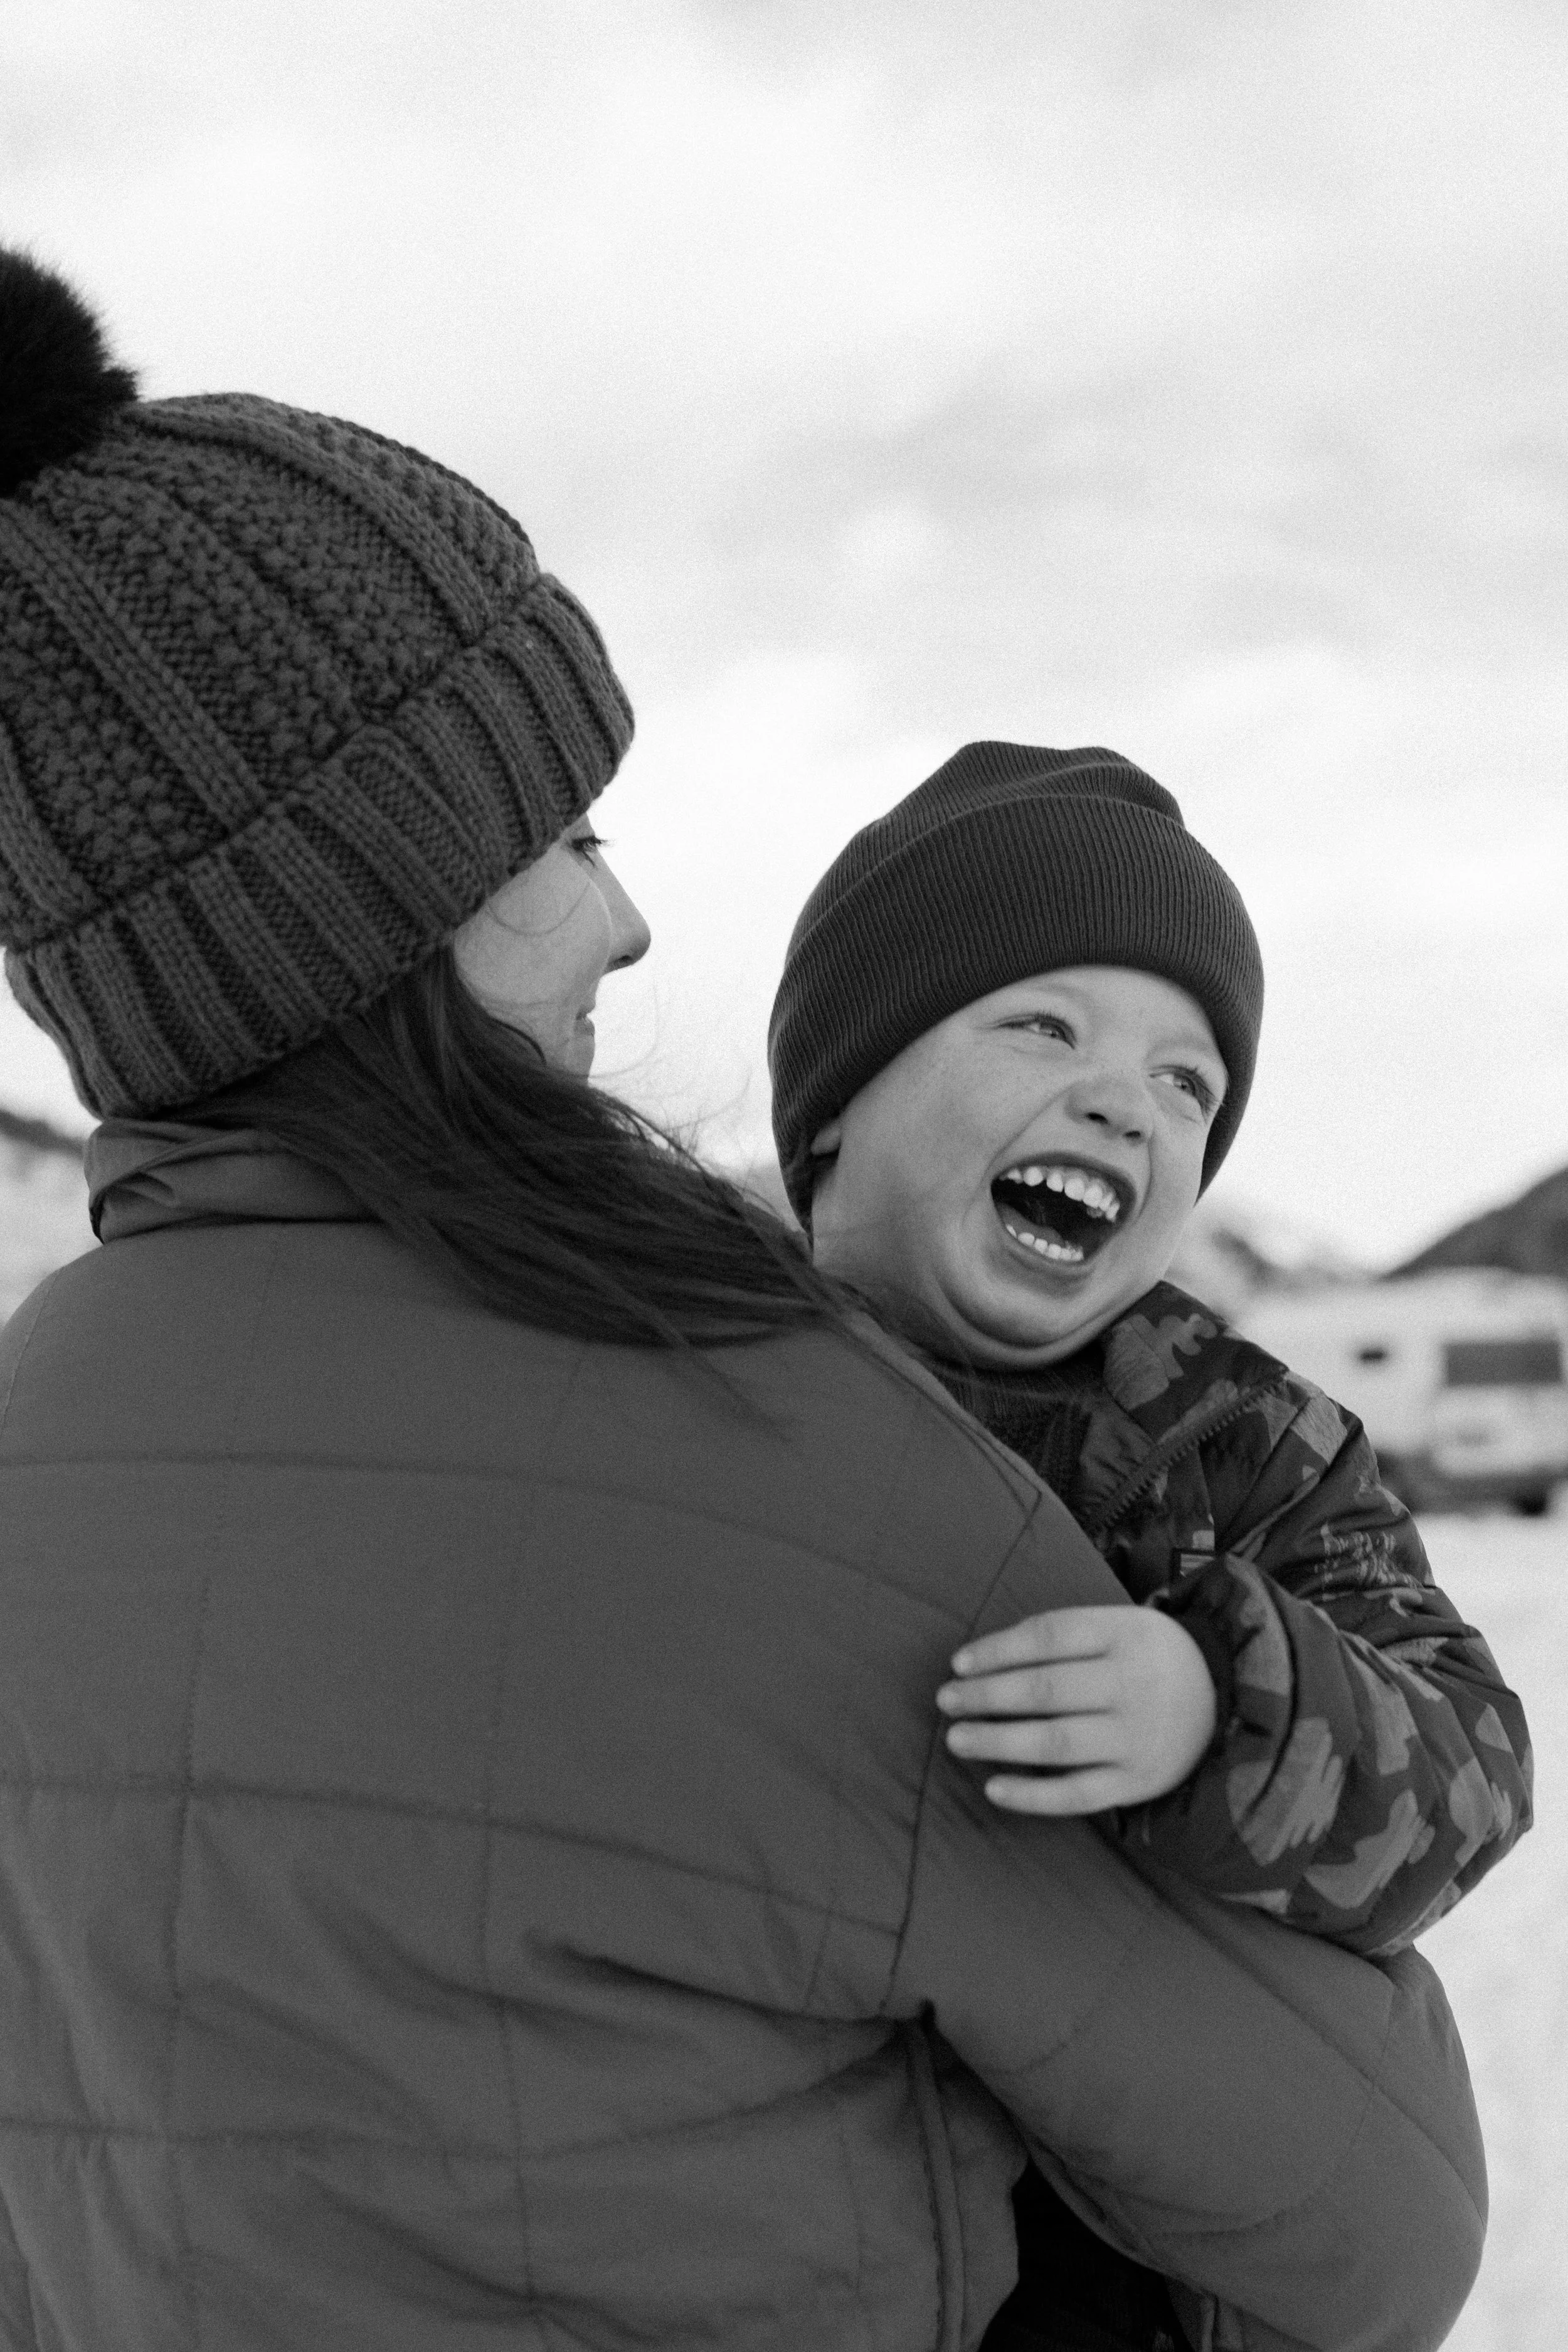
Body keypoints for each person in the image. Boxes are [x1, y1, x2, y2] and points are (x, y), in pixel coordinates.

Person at [0, 254, 1486, 2352]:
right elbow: (1377, 2220)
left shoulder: (33, 1425)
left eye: (1191, 1083)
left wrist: (1233, 1689)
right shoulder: (767, 1451)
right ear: (375, 898)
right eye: (560, 831)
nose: (627, 914)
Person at [769, 738, 1534, 2349]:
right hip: (777, 2195)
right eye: (1041, 1024)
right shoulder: (688, 1387)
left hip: (1136, 2248)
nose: (1127, 1094)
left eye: (1187, 1080)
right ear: (837, 1099)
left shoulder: (1241, 1441)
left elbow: (1471, 1768)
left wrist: (1220, 1702)